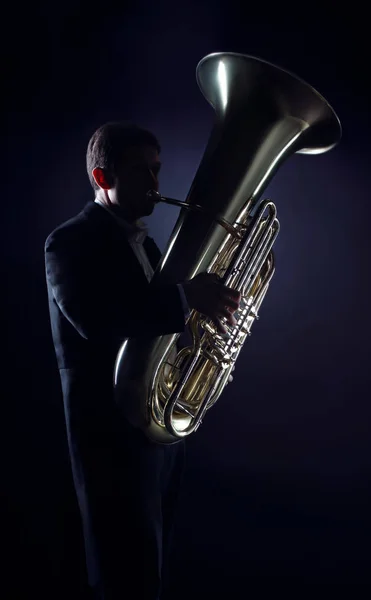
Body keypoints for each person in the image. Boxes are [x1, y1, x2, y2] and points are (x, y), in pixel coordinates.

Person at [44, 121, 241, 599]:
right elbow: (96, 319)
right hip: (108, 436)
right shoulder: (68, 241)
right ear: (102, 178)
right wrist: (185, 299)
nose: (156, 187)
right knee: (122, 575)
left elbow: (164, 327)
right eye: (141, 174)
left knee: (150, 571)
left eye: (156, 171)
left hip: (156, 434)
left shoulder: (150, 245)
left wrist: (208, 321)